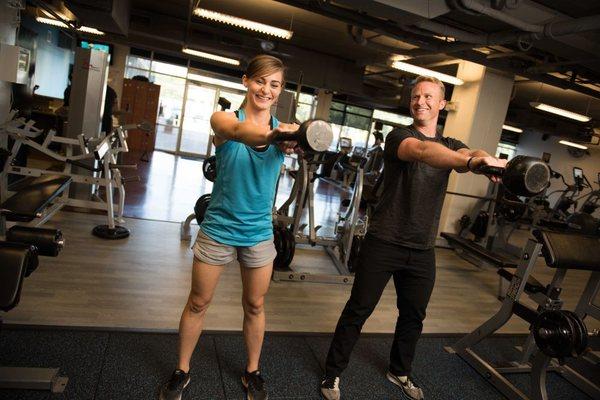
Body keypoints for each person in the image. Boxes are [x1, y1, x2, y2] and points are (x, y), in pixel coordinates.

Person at [320, 75, 507, 400]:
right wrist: (471, 162)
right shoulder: (399, 137)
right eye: (416, 96)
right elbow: (422, 151)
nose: (421, 101)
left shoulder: (452, 144)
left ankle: (399, 370)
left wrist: (484, 157)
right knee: (358, 310)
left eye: (429, 96)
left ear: (442, 104)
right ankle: (332, 374)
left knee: (414, 315)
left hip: (422, 249)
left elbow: (469, 150)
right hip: (385, 241)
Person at [158, 54, 298, 400]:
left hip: (259, 234)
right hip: (218, 229)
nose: (266, 89)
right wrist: (277, 135)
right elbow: (240, 132)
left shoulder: (284, 131)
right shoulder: (224, 119)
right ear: (246, 81)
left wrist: (299, 139)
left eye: (274, 84)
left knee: (255, 305)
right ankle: (182, 370)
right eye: (261, 81)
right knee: (198, 302)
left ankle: (253, 371)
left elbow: (295, 144)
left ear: (280, 91)